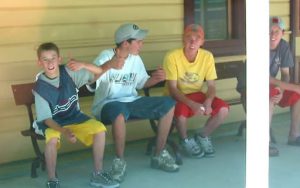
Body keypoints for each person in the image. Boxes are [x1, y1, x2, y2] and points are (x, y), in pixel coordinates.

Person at [83, 23, 180, 183]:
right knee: (119, 111)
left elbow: (141, 83)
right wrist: (109, 66)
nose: (142, 44)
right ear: (125, 43)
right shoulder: (105, 56)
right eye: (139, 41)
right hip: (107, 105)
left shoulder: (135, 58)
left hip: (132, 101)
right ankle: (119, 161)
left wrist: (154, 79)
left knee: (168, 104)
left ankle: (158, 154)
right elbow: (90, 81)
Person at [32, 42, 120, 188]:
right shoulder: (40, 88)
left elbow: (97, 72)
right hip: (53, 122)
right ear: (39, 62)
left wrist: (83, 64)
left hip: (73, 116)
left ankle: (97, 174)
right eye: (45, 59)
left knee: (99, 129)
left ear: (59, 59)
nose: (50, 62)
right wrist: (64, 131)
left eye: (53, 58)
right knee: (52, 139)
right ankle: (52, 180)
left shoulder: (69, 72)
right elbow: (47, 119)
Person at [163, 24, 229, 158]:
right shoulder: (172, 56)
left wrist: (208, 101)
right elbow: (173, 89)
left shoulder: (207, 56)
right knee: (180, 115)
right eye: (189, 38)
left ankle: (203, 136)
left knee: (223, 109)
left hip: (198, 95)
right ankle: (185, 140)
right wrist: (193, 105)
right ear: (183, 39)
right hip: (177, 96)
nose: (193, 42)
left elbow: (211, 86)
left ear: (202, 42)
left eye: (197, 38)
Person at [269, 16, 300, 156]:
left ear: (282, 33)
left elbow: (285, 74)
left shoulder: (283, 45)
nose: (273, 35)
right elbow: (264, 78)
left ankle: (294, 136)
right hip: (252, 88)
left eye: (277, 31)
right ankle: (265, 141)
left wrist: (281, 90)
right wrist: (280, 90)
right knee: (270, 97)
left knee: (297, 94)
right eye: (269, 31)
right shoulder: (258, 46)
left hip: (274, 86)